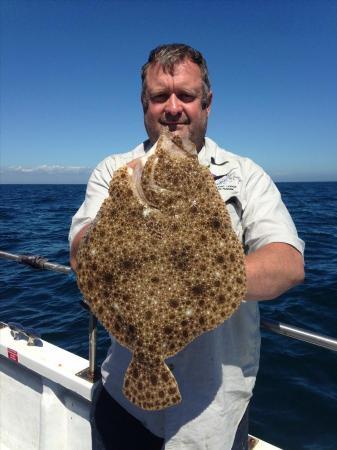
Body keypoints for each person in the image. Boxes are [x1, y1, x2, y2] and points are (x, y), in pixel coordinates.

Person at [69, 44, 305, 450]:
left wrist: (195, 283)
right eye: (160, 96)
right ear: (144, 104)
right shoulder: (115, 171)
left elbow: (288, 264)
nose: (173, 107)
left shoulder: (245, 175)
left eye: (186, 96)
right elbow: (80, 254)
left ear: (207, 103)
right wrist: (120, 207)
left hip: (212, 414)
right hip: (123, 403)